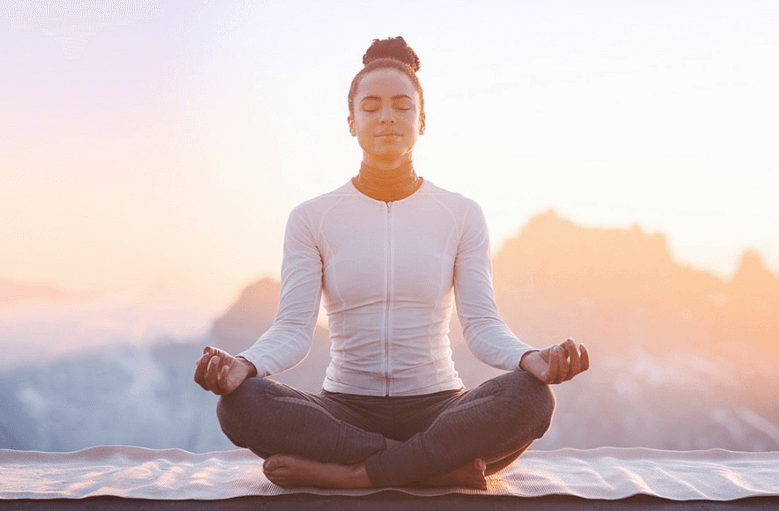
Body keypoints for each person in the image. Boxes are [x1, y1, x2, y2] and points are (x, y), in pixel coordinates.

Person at [194, 36, 589, 490]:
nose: (386, 117)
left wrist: (528, 357)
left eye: (402, 106)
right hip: (344, 411)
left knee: (531, 398)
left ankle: (355, 475)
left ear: (422, 122)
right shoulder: (311, 218)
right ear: (351, 122)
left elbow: (481, 325)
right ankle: (434, 467)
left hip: (440, 407)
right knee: (240, 405)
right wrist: (244, 365)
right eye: (371, 107)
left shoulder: (460, 214)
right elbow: (293, 330)